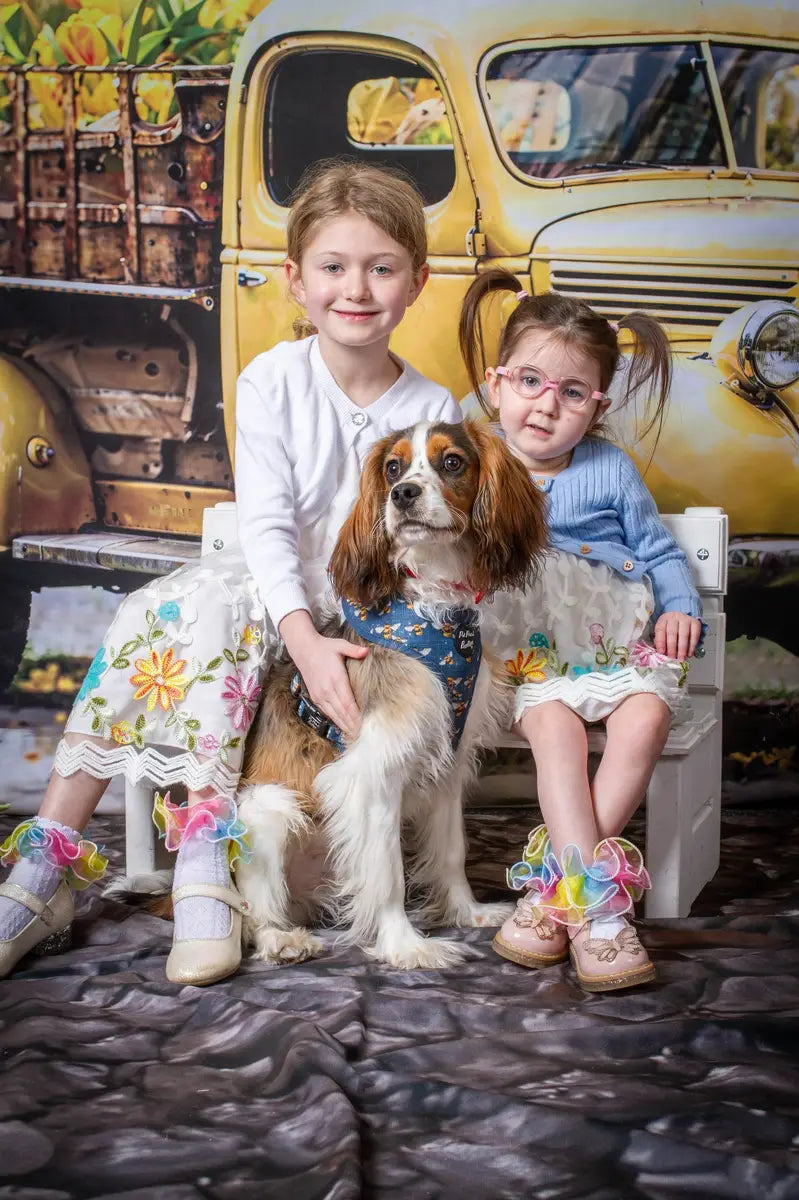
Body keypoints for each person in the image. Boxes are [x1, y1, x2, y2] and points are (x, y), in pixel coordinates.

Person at [0, 159, 463, 986]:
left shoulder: (429, 409)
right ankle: (48, 865)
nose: (355, 288)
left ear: (416, 281)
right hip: (269, 595)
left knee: (202, 616)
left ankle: (207, 858)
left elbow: (431, 547)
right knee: (162, 612)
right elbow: (269, 527)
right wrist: (302, 640)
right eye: (332, 266)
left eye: (381, 267)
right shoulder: (271, 380)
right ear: (293, 279)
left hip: (368, 619)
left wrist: (341, 639)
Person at [458, 274, 703, 992]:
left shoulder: (609, 469)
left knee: (648, 713)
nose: (546, 403)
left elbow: (656, 551)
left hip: (616, 643)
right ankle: (599, 913)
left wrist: (678, 604)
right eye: (530, 380)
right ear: (494, 382)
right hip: (538, 660)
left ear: (596, 405)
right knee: (555, 734)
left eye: (571, 392)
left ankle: (551, 897)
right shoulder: (474, 464)